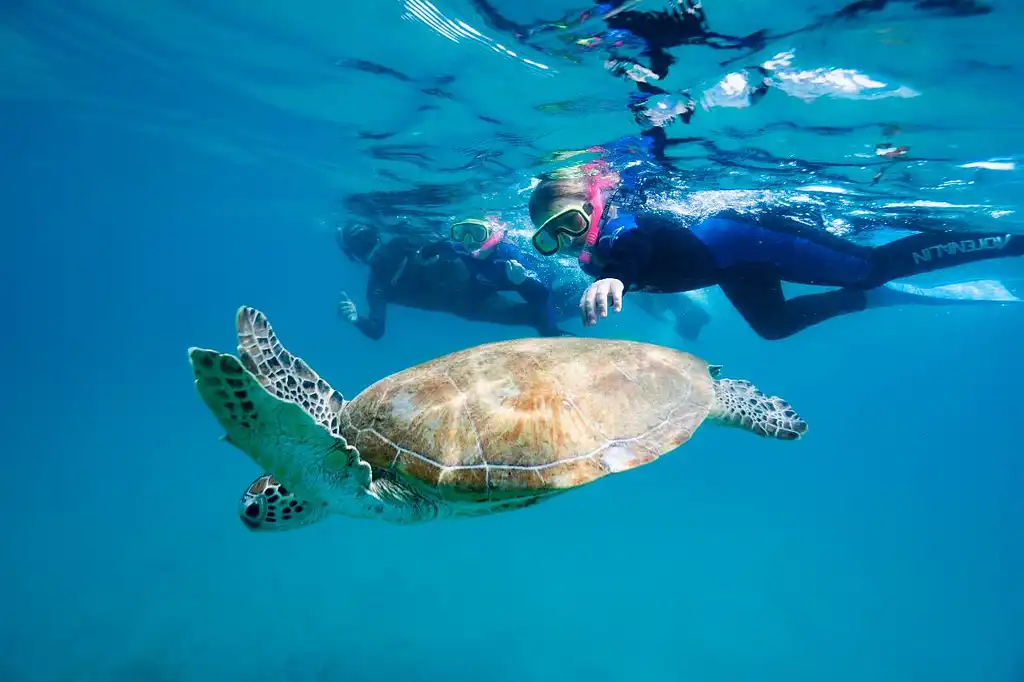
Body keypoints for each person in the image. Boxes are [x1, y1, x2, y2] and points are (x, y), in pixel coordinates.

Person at [525, 171, 1023, 340]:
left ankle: (1005, 239)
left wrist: (616, 278)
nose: (568, 240)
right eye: (552, 238)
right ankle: (878, 299)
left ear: (593, 205)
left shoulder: (621, 226)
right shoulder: (592, 258)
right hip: (734, 266)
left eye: (571, 222)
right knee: (774, 327)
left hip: (751, 237)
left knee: (871, 268)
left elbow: (636, 244)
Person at [336, 221, 567, 340]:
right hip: (471, 301)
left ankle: (584, 295)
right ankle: (582, 306)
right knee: (537, 314)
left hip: (476, 283)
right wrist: (356, 319)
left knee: (542, 296)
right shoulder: (379, 285)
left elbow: (447, 243)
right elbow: (376, 331)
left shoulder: (400, 245)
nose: (373, 250)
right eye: (363, 247)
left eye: (369, 241)